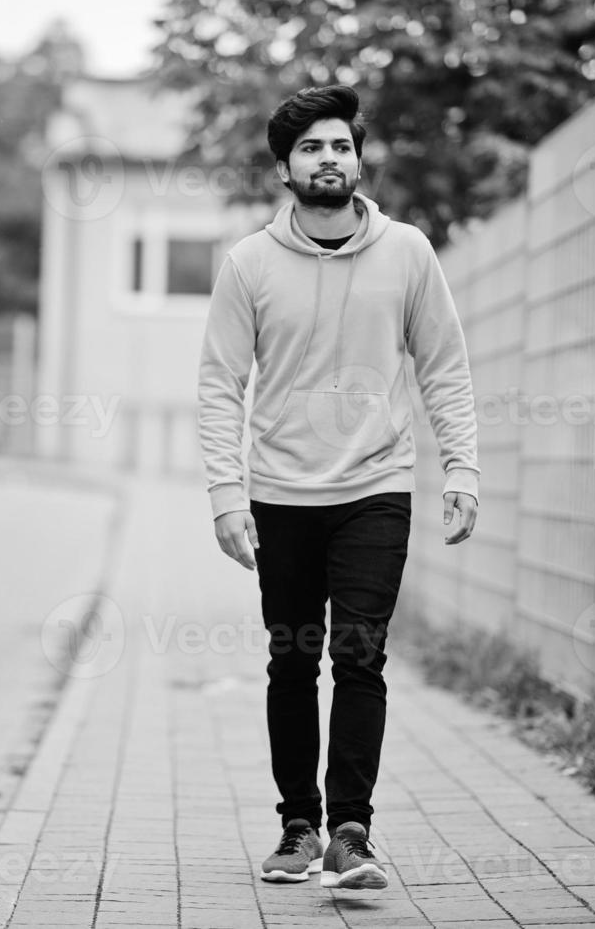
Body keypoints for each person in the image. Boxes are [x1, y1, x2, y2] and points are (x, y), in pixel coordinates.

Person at [196, 84, 480, 891]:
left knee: (360, 658)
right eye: (312, 148)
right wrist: (225, 496)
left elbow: (444, 368)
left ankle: (349, 834)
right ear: (285, 167)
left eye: (340, 147)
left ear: (357, 160)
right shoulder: (249, 262)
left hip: (375, 487)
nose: (329, 160)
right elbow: (220, 383)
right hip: (279, 493)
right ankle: (296, 826)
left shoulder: (408, 253)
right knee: (292, 662)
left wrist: (460, 468)